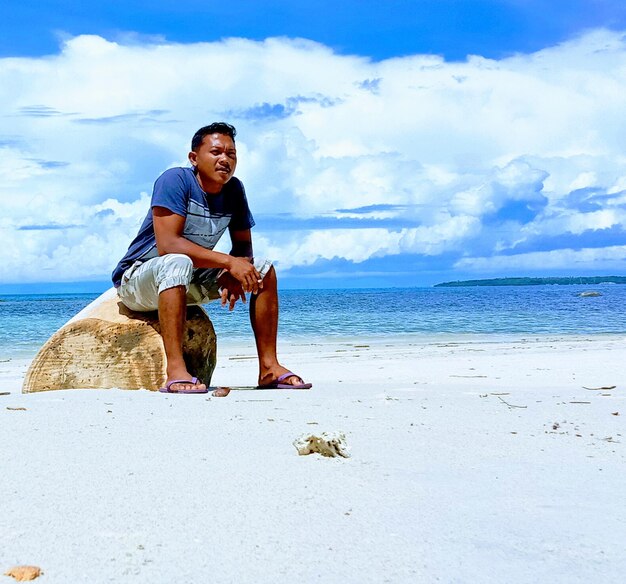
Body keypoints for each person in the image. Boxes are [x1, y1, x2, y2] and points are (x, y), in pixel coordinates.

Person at [111, 122, 312, 394]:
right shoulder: (175, 180)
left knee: (262, 269)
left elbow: (243, 246)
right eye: (216, 152)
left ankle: (269, 368)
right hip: (137, 281)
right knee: (177, 261)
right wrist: (228, 262)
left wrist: (235, 269)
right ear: (194, 158)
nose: (225, 159)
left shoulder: (234, 190)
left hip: (186, 279)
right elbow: (168, 244)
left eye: (231, 154)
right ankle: (176, 371)